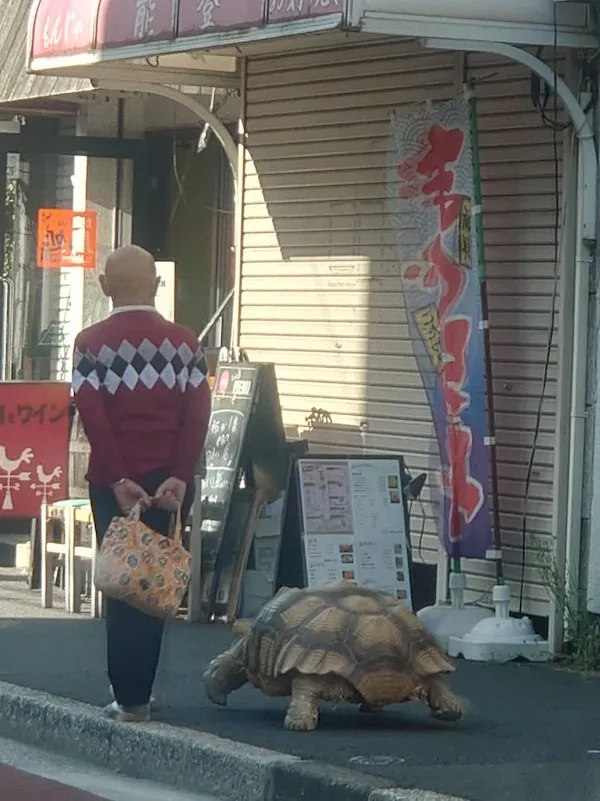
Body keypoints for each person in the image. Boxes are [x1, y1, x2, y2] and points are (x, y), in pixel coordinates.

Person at [71, 245, 211, 723]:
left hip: (114, 483)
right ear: (156, 285)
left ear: (105, 286)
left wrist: (117, 476)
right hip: (168, 483)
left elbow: (92, 413)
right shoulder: (186, 343)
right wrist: (180, 475)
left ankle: (128, 696)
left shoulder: (90, 344)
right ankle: (140, 691)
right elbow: (198, 413)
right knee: (155, 584)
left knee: (121, 583)